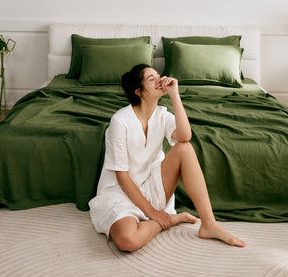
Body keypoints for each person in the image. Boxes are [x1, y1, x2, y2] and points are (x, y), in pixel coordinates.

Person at [89, 63, 246, 251]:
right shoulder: (120, 121)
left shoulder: (162, 114)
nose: (159, 80)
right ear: (138, 91)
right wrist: (154, 213)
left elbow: (185, 136)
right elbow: (122, 176)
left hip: (154, 187)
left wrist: (174, 94)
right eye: (151, 78)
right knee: (127, 241)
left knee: (184, 148)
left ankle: (209, 223)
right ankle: (170, 219)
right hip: (121, 193)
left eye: (158, 75)